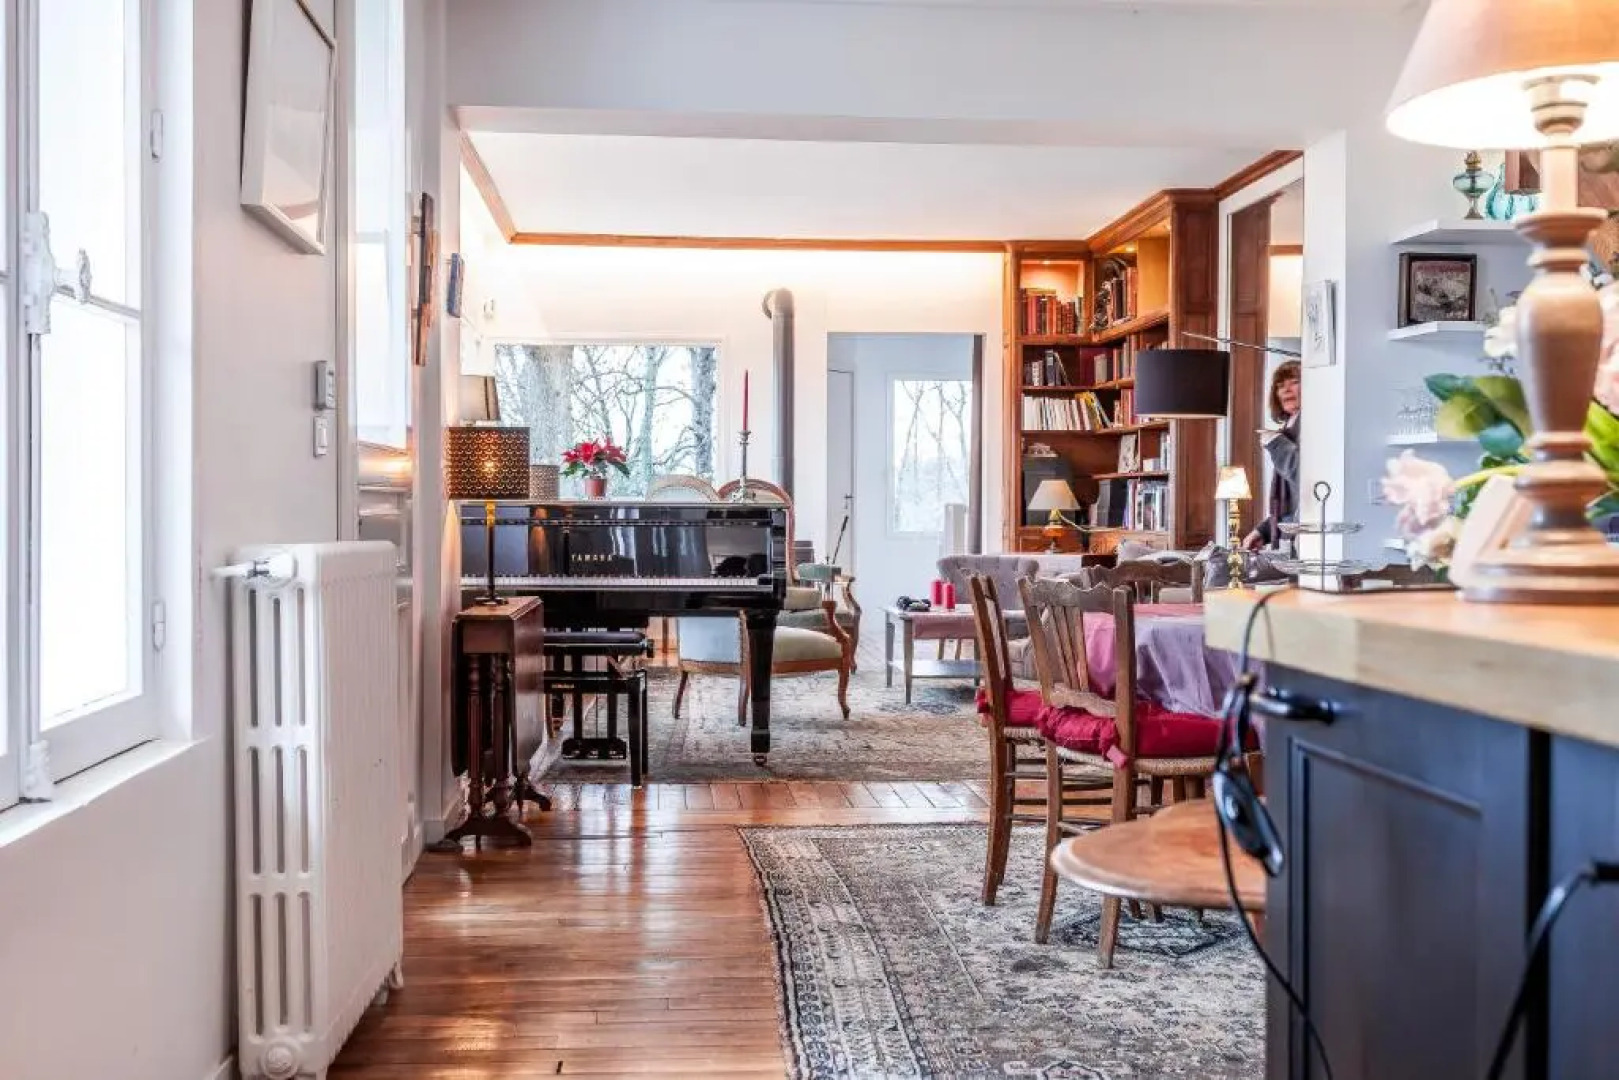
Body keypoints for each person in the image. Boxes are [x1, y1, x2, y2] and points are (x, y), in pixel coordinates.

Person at [1244, 360, 1301, 551]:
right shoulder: (1288, 429)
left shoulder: (1312, 424)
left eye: (1293, 382)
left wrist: (1276, 443)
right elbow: (1289, 504)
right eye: (1280, 386)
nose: (1286, 390)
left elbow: (1306, 479)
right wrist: (1263, 531)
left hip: (1305, 538)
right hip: (1288, 537)